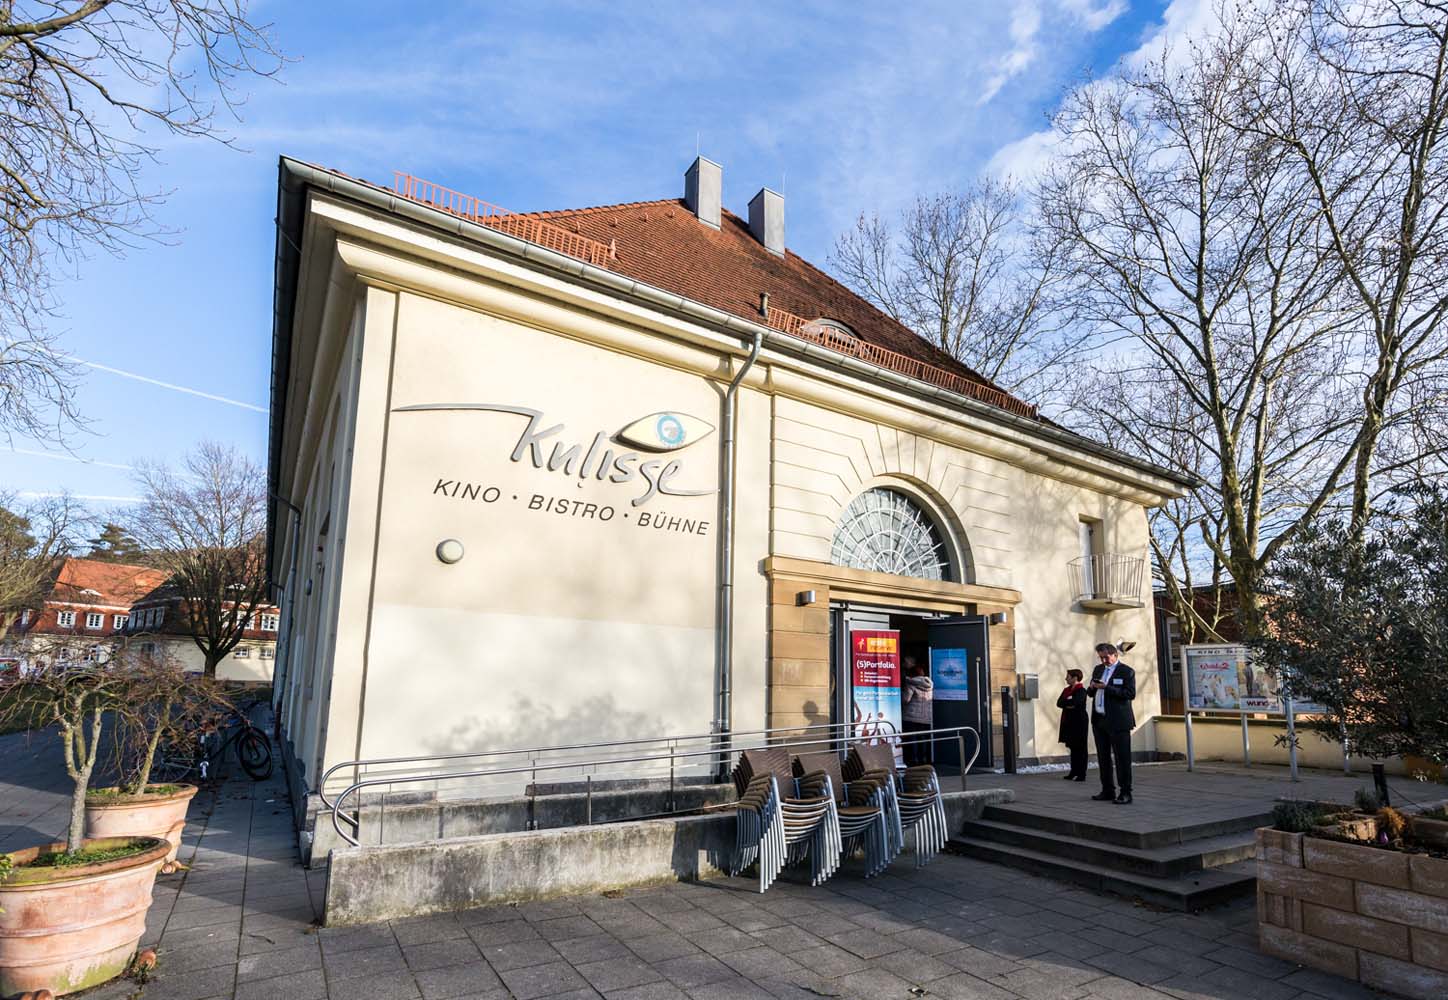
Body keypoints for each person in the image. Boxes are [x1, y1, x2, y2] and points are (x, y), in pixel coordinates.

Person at [1088, 642, 1137, 804]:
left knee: (1122, 758)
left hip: (1118, 721)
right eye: (1101, 657)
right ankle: (1107, 790)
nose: (1103, 661)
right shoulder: (1098, 669)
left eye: (1106, 657)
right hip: (1100, 720)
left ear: (1115, 655)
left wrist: (1106, 687)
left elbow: (1130, 694)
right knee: (1103, 758)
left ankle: (1126, 793)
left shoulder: (1126, 671)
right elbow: (1090, 693)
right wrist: (1092, 687)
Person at [1056, 668, 1089, 781]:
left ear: (1075, 678)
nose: (1066, 679)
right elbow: (1059, 703)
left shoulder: (1082, 691)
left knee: (1081, 748)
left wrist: (1068, 703)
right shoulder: (1066, 690)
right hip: (1069, 722)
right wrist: (1069, 704)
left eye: (1068, 677)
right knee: (1073, 747)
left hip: (1079, 722)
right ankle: (1073, 771)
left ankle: (1081, 773)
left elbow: (1076, 702)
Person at [901, 656, 933, 766]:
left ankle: (914, 759)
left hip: (912, 716)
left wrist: (900, 693)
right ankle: (923, 759)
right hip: (926, 717)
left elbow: (906, 699)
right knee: (923, 738)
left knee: (913, 737)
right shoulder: (929, 685)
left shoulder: (911, 684)